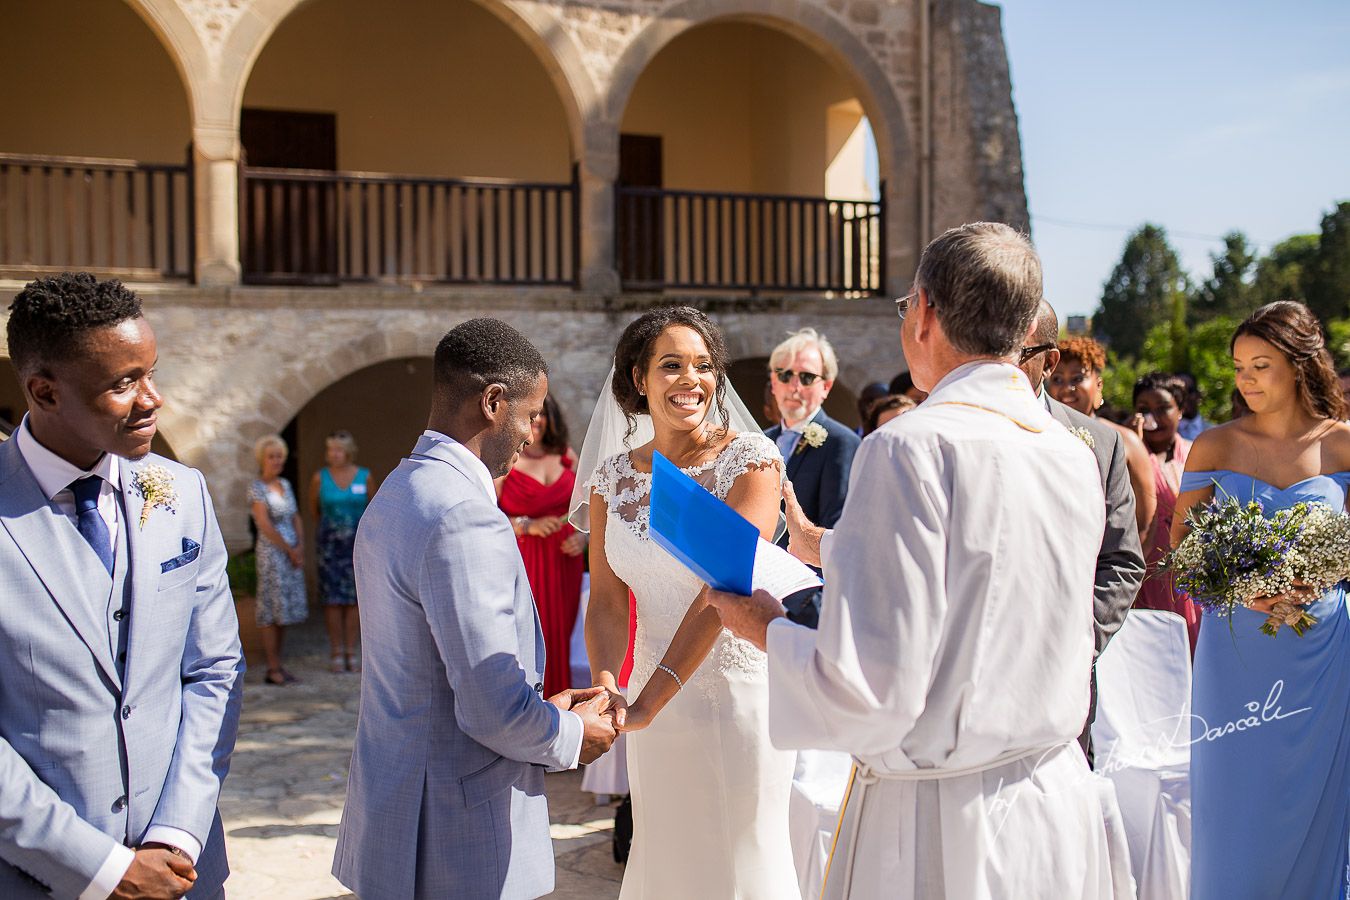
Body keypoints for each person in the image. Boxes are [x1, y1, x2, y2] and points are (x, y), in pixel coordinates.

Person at [707, 223, 1113, 898]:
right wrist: (828, 546)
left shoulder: (909, 446)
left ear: (923, 312)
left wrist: (766, 631)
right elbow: (996, 567)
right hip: (1051, 796)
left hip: (943, 823)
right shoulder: (1069, 449)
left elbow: (873, 691)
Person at [333, 318, 617, 900]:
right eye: (531, 414)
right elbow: (489, 708)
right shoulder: (463, 514)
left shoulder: (398, 487)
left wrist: (542, 704)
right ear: (493, 403)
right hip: (457, 824)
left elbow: (435, 669)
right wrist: (570, 734)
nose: (534, 432)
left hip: (400, 801)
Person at [0, 273, 243, 900]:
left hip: (185, 871)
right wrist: (102, 868)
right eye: (123, 383)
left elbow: (214, 668)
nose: (151, 399)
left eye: (150, 372)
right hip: (38, 877)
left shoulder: (181, 492)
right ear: (44, 392)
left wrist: (178, 834)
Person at [572, 306, 801, 899]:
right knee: (667, 858)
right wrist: (605, 684)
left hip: (734, 694)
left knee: (741, 860)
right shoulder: (612, 479)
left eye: (703, 366)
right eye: (670, 365)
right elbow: (605, 601)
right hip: (650, 704)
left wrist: (650, 700)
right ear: (637, 377)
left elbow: (717, 592)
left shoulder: (749, 463)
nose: (689, 380)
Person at [1172, 301, 1350, 899]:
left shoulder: (1343, 445)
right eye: (1239, 367)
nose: (1244, 380)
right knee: (1236, 801)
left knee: (1318, 804)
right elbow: (1183, 556)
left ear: (1299, 366)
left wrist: (1322, 576)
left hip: (1324, 653)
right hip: (1237, 654)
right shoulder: (1214, 448)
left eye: (1260, 365)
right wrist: (1246, 590)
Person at [1021, 300, 1146, 760]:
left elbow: (1122, 558)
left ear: (1048, 360)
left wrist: (1082, 640)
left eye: (1019, 352)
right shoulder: (956, 428)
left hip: (1067, 664)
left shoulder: (1100, 440)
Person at [764, 328, 860, 627]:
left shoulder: (841, 442)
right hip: (755, 592)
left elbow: (838, 526)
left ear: (826, 387)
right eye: (784, 375)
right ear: (773, 382)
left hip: (807, 603)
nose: (794, 386)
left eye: (806, 377)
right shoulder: (760, 440)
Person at [495, 392, 587, 697]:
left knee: (559, 634)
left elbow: (586, 508)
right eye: (531, 415)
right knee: (530, 632)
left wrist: (583, 536)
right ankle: (528, 706)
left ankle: (559, 704)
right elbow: (484, 514)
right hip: (523, 558)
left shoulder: (566, 456)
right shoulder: (505, 458)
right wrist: (526, 525)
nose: (537, 421)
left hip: (564, 560)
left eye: (542, 415)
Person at [1049, 336, 1157, 543]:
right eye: (1058, 379)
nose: (1067, 388)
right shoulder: (1040, 435)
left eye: (1077, 379)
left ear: (1098, 386)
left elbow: (1145, 524)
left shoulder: (1126, 441)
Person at [1131, 372, 1199, 651]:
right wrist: (1132, 445)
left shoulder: (1199, 453)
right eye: (1144, 410)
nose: (1153, 418)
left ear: (1181, 410)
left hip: (1191, 578)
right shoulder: (1128, 456)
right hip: (1146, 576)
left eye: (1163, 408)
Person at [309, 429, 370, 674]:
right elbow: (315, 510)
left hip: (356, 546)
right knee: (332, 601)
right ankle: (336, 652)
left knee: (354, 600)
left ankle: (351, 652)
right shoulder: (319, 477)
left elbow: (372, 509)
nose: (334, 454)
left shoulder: (364, 476)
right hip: (330, 547)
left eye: (339, 449)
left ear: (348, 452)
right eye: (331, 449)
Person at [249, 433, 308, 685]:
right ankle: (272, 668)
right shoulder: (257, 487)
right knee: (272, 611)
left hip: (291, 552)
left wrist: (301, 546)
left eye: (280, 456)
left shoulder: (285, 484)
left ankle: (279, 664)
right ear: (262, 459)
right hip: (273, 555)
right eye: (271, 457)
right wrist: (288, 549)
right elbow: (264, 524)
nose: (276, 461)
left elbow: (295, 516)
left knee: (284, 610)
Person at [1176, 371, 1213, 440]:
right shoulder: (1162, 434)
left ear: (1198, 394)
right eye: (1180, 393)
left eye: (1189, 391)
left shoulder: (1214, 431)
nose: (1185, 397)